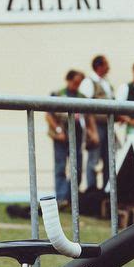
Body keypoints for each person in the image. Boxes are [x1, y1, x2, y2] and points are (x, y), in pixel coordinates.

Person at [46, 70, 97, 206]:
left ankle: (71, 197)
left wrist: (93, 133)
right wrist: (58, 130)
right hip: (61, 137)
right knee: (60, 167)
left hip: (78, 137)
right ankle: (61, 198)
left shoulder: (82, 97)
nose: (77, 85)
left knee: (77, 168)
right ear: (68, 80)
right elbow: (49, 115)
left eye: (79, 83)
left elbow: (89, 116)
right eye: (75, 82)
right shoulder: (57, 94)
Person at [79, 55, 114, 190]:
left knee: (108, 158)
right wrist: (91, 130)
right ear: (99, 66)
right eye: (106, 64)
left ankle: (107, 189)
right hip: (95, 125)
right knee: (94, 159)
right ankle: (92, 189)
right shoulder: (89, 82)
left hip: (107, 125)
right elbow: (85, 108)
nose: (108, 67)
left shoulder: (105, 82)